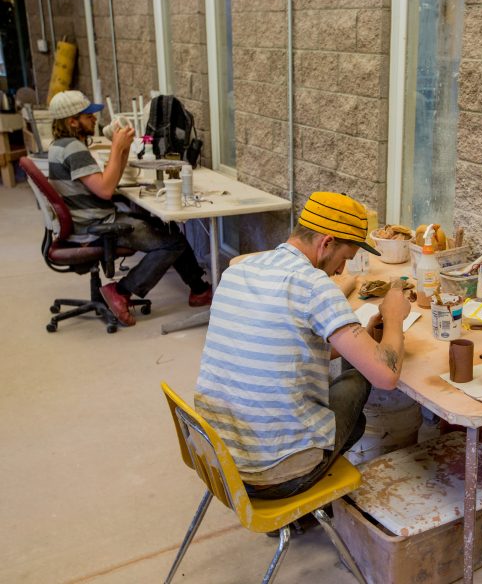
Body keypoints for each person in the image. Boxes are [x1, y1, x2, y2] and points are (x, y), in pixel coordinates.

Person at [195, 192, 411, 499]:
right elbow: (386, 377)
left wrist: (362, 336)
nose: (340, 271)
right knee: (356, 385)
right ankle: (304, 490)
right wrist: (393, 318)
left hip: (215, 459)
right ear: (326, 243)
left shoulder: (238, 270)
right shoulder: (314, 286)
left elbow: (288, 347)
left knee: (344, 399)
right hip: (270, 475)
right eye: (344, 259)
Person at [47, 90, 212, 327]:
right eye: (88, 116)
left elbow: (108, 182)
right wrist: (116, 147)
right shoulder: (73, 148)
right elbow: (105, 189)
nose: (94, 119)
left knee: (167, 228)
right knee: (171, 242)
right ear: (72, 121)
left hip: (87, 219)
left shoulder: (60, 146)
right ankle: (121, 291)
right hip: (94, 226)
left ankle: (199, 290)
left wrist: (123, 149)